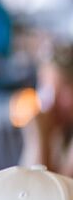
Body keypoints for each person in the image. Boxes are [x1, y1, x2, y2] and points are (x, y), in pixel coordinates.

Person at [19, 42, 73, 177]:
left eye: (64, 89)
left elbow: (57, 196)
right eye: (46, 87)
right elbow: (23, 191)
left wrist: (40, 140)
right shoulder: (56, 130)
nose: (52, 101)